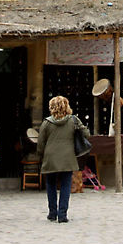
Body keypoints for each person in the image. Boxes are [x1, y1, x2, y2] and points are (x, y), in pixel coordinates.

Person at [37, 96, 90, 224]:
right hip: (68, 157)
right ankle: (62, 214)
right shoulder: (73, 120)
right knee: (66, 185)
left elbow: (40, 143)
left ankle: (52, 213)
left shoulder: (47, 123)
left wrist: (41, 155)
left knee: (51, 185)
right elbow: (86, 134)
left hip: (50, 158)